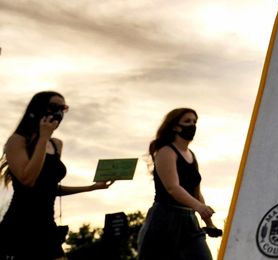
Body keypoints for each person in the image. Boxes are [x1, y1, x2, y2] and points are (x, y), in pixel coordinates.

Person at [0, 91, 113, 260]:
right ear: (37, 110)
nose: (59, 113)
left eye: (63, 108)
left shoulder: (56, 144)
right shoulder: (17, 141)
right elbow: (27, 180)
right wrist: (43, 138)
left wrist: (91, 188)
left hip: (46, 225)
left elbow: (50, 188)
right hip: (20, 226)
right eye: (53, 107)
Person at [137, 107, 219, 260]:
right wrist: (198, 206)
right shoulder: (166, 151)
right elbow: (172, 187)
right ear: (175, 126)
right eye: (187, 121)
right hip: (165, 219)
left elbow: (196, 192)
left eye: (194, 122)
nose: (192, 125)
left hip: (189, 221)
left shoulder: (191, 155)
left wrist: (209, 223)